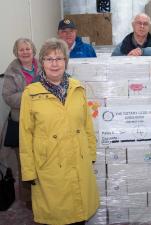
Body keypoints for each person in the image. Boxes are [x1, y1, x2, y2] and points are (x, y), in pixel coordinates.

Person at [19, 38, 99, 225]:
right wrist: (29, 171)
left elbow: (87, 126)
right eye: (49, 59)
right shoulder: (31, 93)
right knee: (56, 216)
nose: (54, 63)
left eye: (59, 58)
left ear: (65, 62)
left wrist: (91, 154)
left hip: (79, 163)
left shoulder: (77, 88)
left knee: (79, 215)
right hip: (49, 166)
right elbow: (25, 135)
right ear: (42, 63)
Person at [2, 38, 39, 209]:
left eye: (28, 48)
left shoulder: (42, 66)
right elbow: (8, 97)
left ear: (33, 50)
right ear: (16, 53)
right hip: (21, 123)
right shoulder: (11, 71)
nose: (25, 52)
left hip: (42, 123)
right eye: (21, 49)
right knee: (25, 163)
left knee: (42, 160)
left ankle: (44, 194)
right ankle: (29, 200)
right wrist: (29, 95)